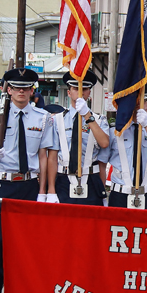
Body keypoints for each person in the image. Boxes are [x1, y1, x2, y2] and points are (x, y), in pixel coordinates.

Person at [0, 68, 54, 293]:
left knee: (26, 242)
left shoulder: (43, 118)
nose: (21, 91)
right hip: (1, 184)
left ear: (32, 91)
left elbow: (44, 155)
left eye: (26, 87)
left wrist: (44, 191)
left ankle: (21, 287)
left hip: (28, 184)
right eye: (17, 87)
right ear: (8, 89)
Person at [46, 72, 109, 205]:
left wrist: (87, 115)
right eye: (76, 88)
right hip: (64, 178)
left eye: (84, 89)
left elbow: (104, 143)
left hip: (90, 178)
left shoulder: (99, 120)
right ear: (69, 93)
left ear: (89, 93)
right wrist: (51, 189)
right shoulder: (57, 120)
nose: (80, 92)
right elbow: (52, 157)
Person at [101, 105, 147, 210]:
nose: (138, 105)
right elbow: (102, 163)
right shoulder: (114, 129)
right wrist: (102, 194)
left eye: (143, 100)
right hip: (120, 193)